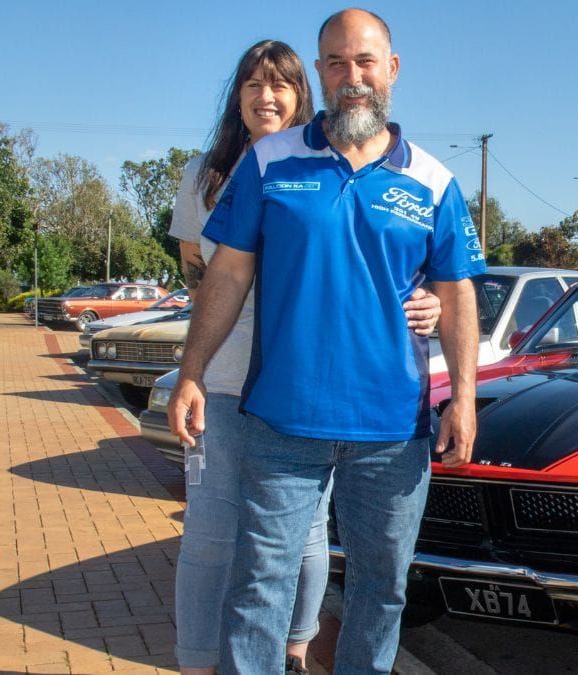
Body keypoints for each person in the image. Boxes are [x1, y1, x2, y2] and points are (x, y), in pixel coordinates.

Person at [169, 8, 483, 673]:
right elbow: (227, 272)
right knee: (260, 587)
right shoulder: (270, 161)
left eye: (365, 62)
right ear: (320, 72)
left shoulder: (432, 180)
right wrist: (192, 371)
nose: (352, 77)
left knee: (382, 587)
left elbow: (456, 293)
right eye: (336, 63)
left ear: (391, 71)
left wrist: (466, 400)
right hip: (283, 421)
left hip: (393, 430)